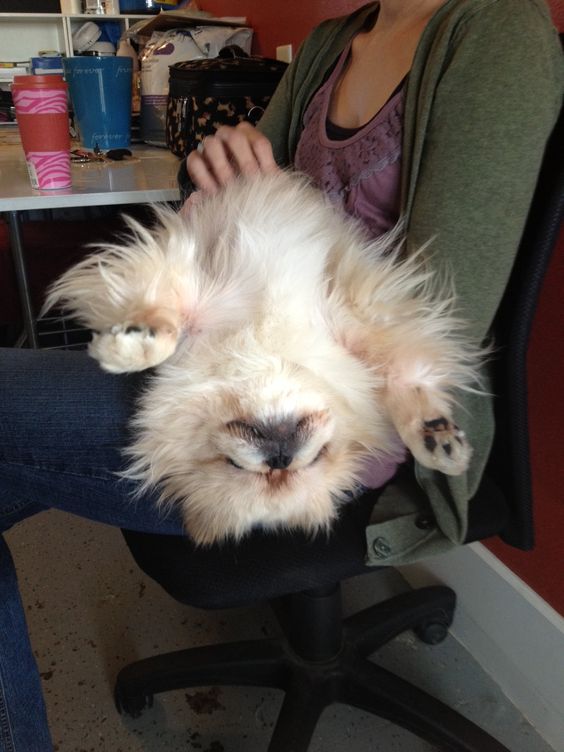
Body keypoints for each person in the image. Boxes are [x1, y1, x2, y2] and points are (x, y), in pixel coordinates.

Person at [0, 0, 561, 749]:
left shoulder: (495, 30)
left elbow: (447, 301)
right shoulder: (335, 41)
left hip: (346, 383)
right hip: (228, 338)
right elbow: (230, 190)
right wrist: (218, 164)